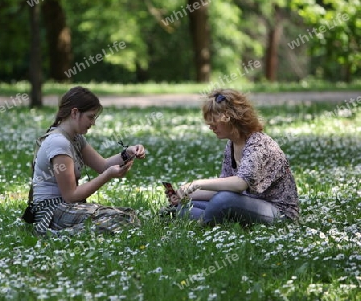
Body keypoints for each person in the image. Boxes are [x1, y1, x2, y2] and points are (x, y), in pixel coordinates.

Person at [166, 88, 299, 226]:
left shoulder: (258, 144)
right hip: (245, 204)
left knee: (223, 199)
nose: (211, 127)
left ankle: (203, 224)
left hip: (279, 213)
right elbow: (225, 187)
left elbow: (240, 184)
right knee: (187, 205)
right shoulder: (232, 144)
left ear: (231, 119)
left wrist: (197, 183)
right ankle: (209, 220)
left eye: (214, 121)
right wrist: (185, 194)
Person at [28, 86, 145, 236]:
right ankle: (57, 235)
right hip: (51, 211)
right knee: (124, 219)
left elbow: (103, 165)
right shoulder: (59, 142)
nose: (93, 123)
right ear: (75, 113)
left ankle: (72, 232)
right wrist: (107, 176)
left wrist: (127, 154)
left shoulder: (75, 138)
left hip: (65, 207)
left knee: (128, 215)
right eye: (90, 117)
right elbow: (71, 196)